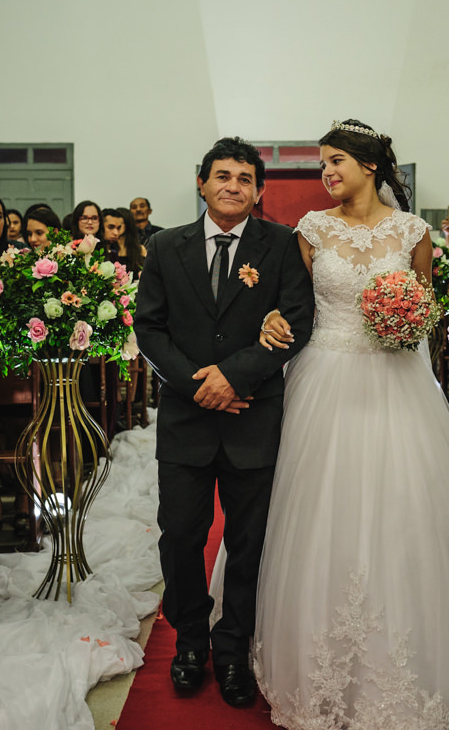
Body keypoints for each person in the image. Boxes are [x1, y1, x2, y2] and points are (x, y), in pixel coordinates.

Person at [254, 120, 449, 727]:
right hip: (326, 376)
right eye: (322, 164)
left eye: (336, 161)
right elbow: (293, 305)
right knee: (324, 505)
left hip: (397, 380)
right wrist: (269, 319)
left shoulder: (413, 232)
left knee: (406, 505)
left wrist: (408, 322)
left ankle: (419, 648)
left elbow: (425, 307)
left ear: (369, 165)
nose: (327, 173)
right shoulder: (310, 230)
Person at [134, 136, 316, 708]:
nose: (233, 186)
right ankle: (190, 642)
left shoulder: (281, 244)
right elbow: (149, 327)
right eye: (223, 176)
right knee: (180, 537)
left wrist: (234, 378)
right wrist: (198, 385)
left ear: (258, 191)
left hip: (253, 418)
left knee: (249, 542)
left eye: (244, 178)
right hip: (186, 420)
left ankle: (234, 648)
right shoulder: (166, 246)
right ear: (202, 183)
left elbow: (299, 320)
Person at [100, 207, 146, 275]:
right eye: (111, 227)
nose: (116, 232)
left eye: (119, 227)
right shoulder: (108, 248)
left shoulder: (138, 249)